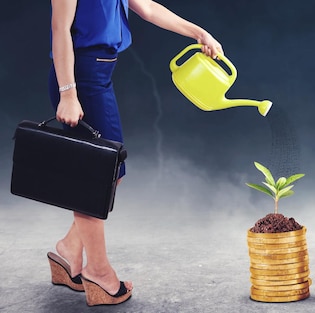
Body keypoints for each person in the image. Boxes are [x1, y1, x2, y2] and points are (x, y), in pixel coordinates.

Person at [46, 0, 223, 306]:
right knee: (96, 177)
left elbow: (148, 7)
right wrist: (68, 94)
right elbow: (59, 28)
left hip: (99, 75)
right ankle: (99, 273)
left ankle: (68, 250)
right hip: (80, 78)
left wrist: (199, 33)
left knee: (108, 173)